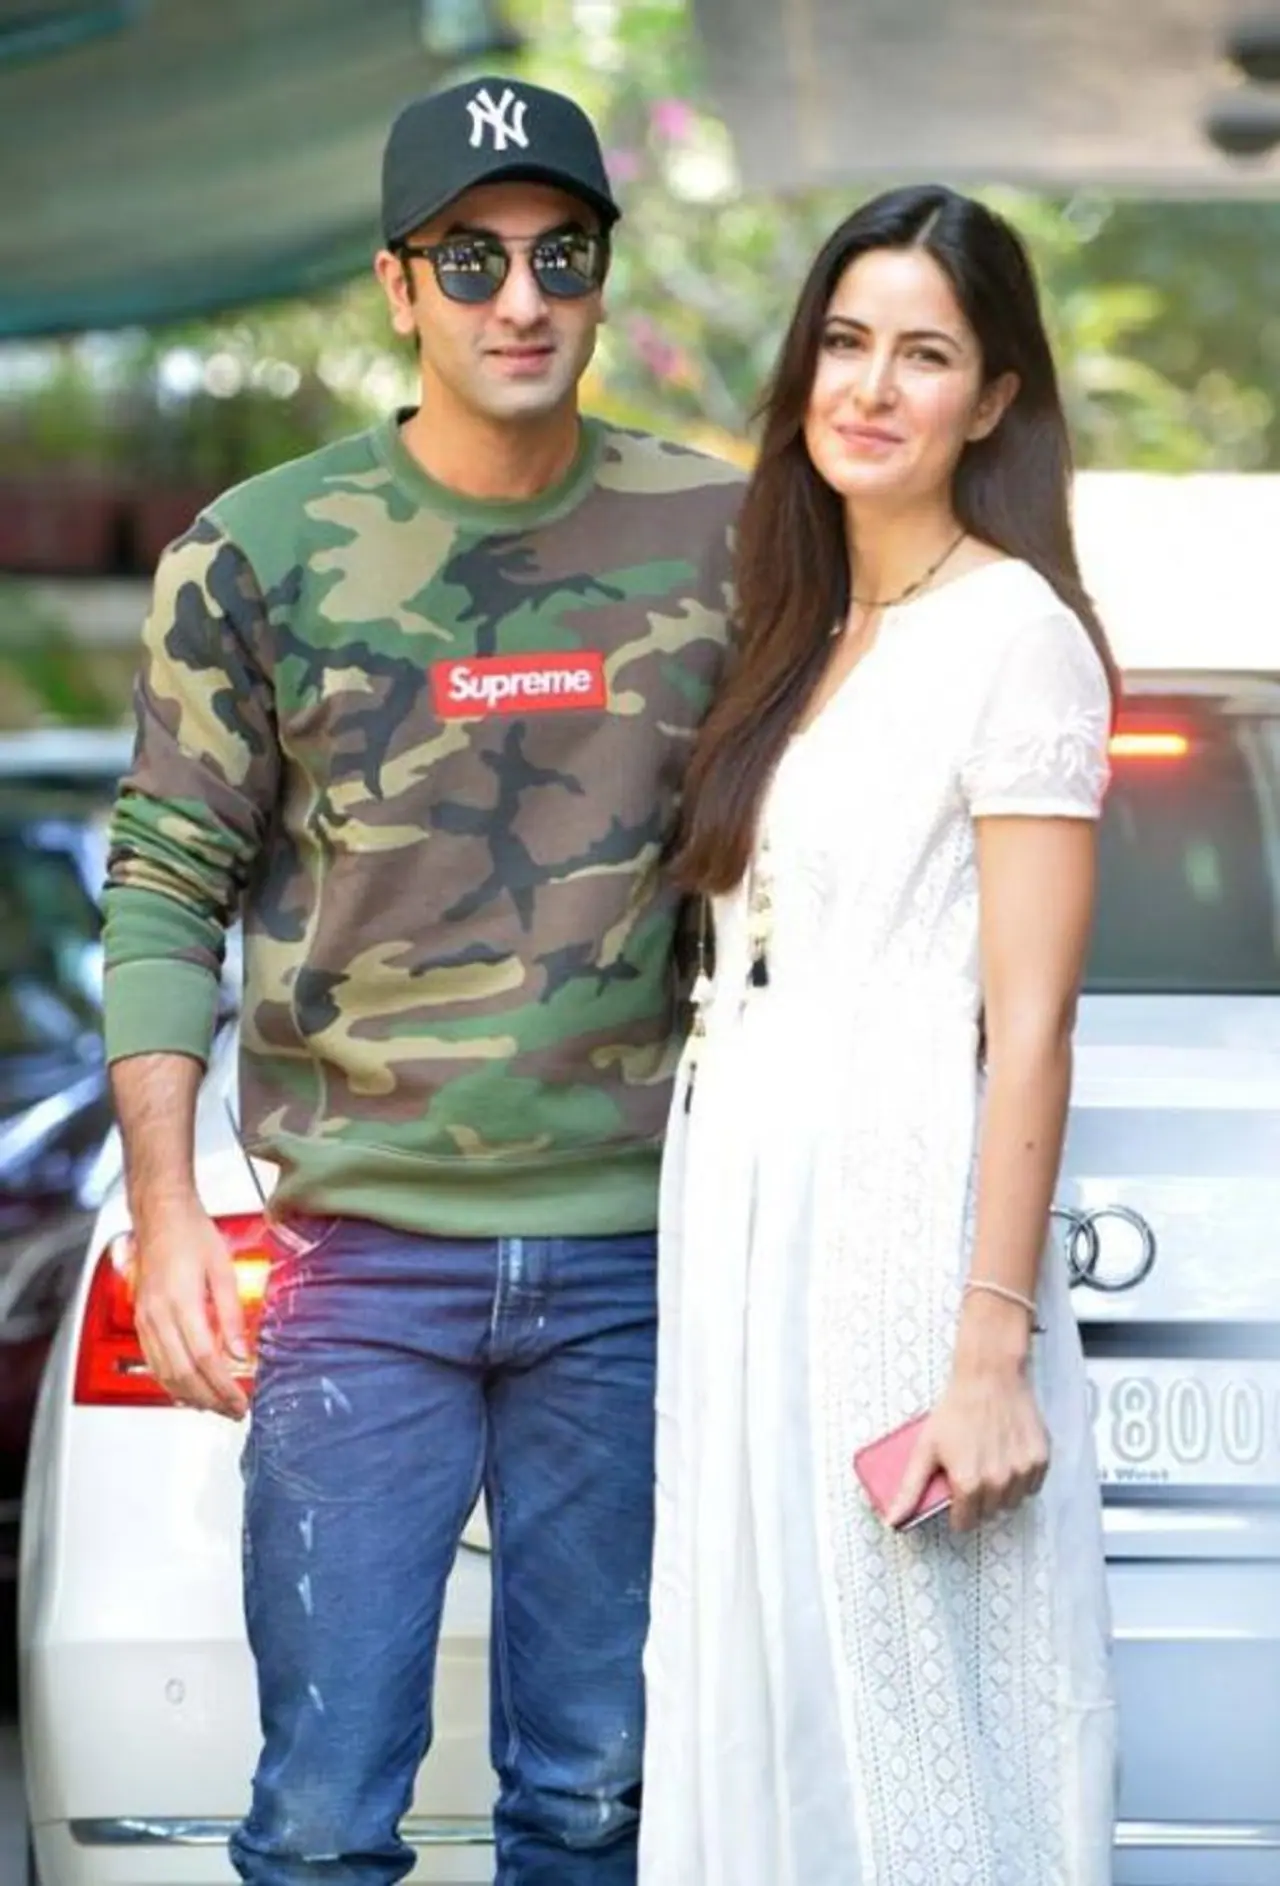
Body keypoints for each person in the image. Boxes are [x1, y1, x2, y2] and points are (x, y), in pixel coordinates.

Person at [100, 75, 743, 1885]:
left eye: (560, 255)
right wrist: (167, 1212)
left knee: (598, 1805)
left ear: (602, 275)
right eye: (471, 260)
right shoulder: (256, 551)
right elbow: (162, 886)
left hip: (640, 1258)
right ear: (399, 286)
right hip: (362, 1262)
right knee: (321, 1820)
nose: (519, 299)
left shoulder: (729, 535)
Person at [640, 184, 1119, 1885]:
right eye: (846, 342)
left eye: (925, 354)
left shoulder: (1018, 637)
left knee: (911, 1709)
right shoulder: (793, 633)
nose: (871, 386)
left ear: (993, 401)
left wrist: (987, 1351)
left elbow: (1033, 1021)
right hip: (738, 1219)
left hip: (901, 1224)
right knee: (751, 1680)